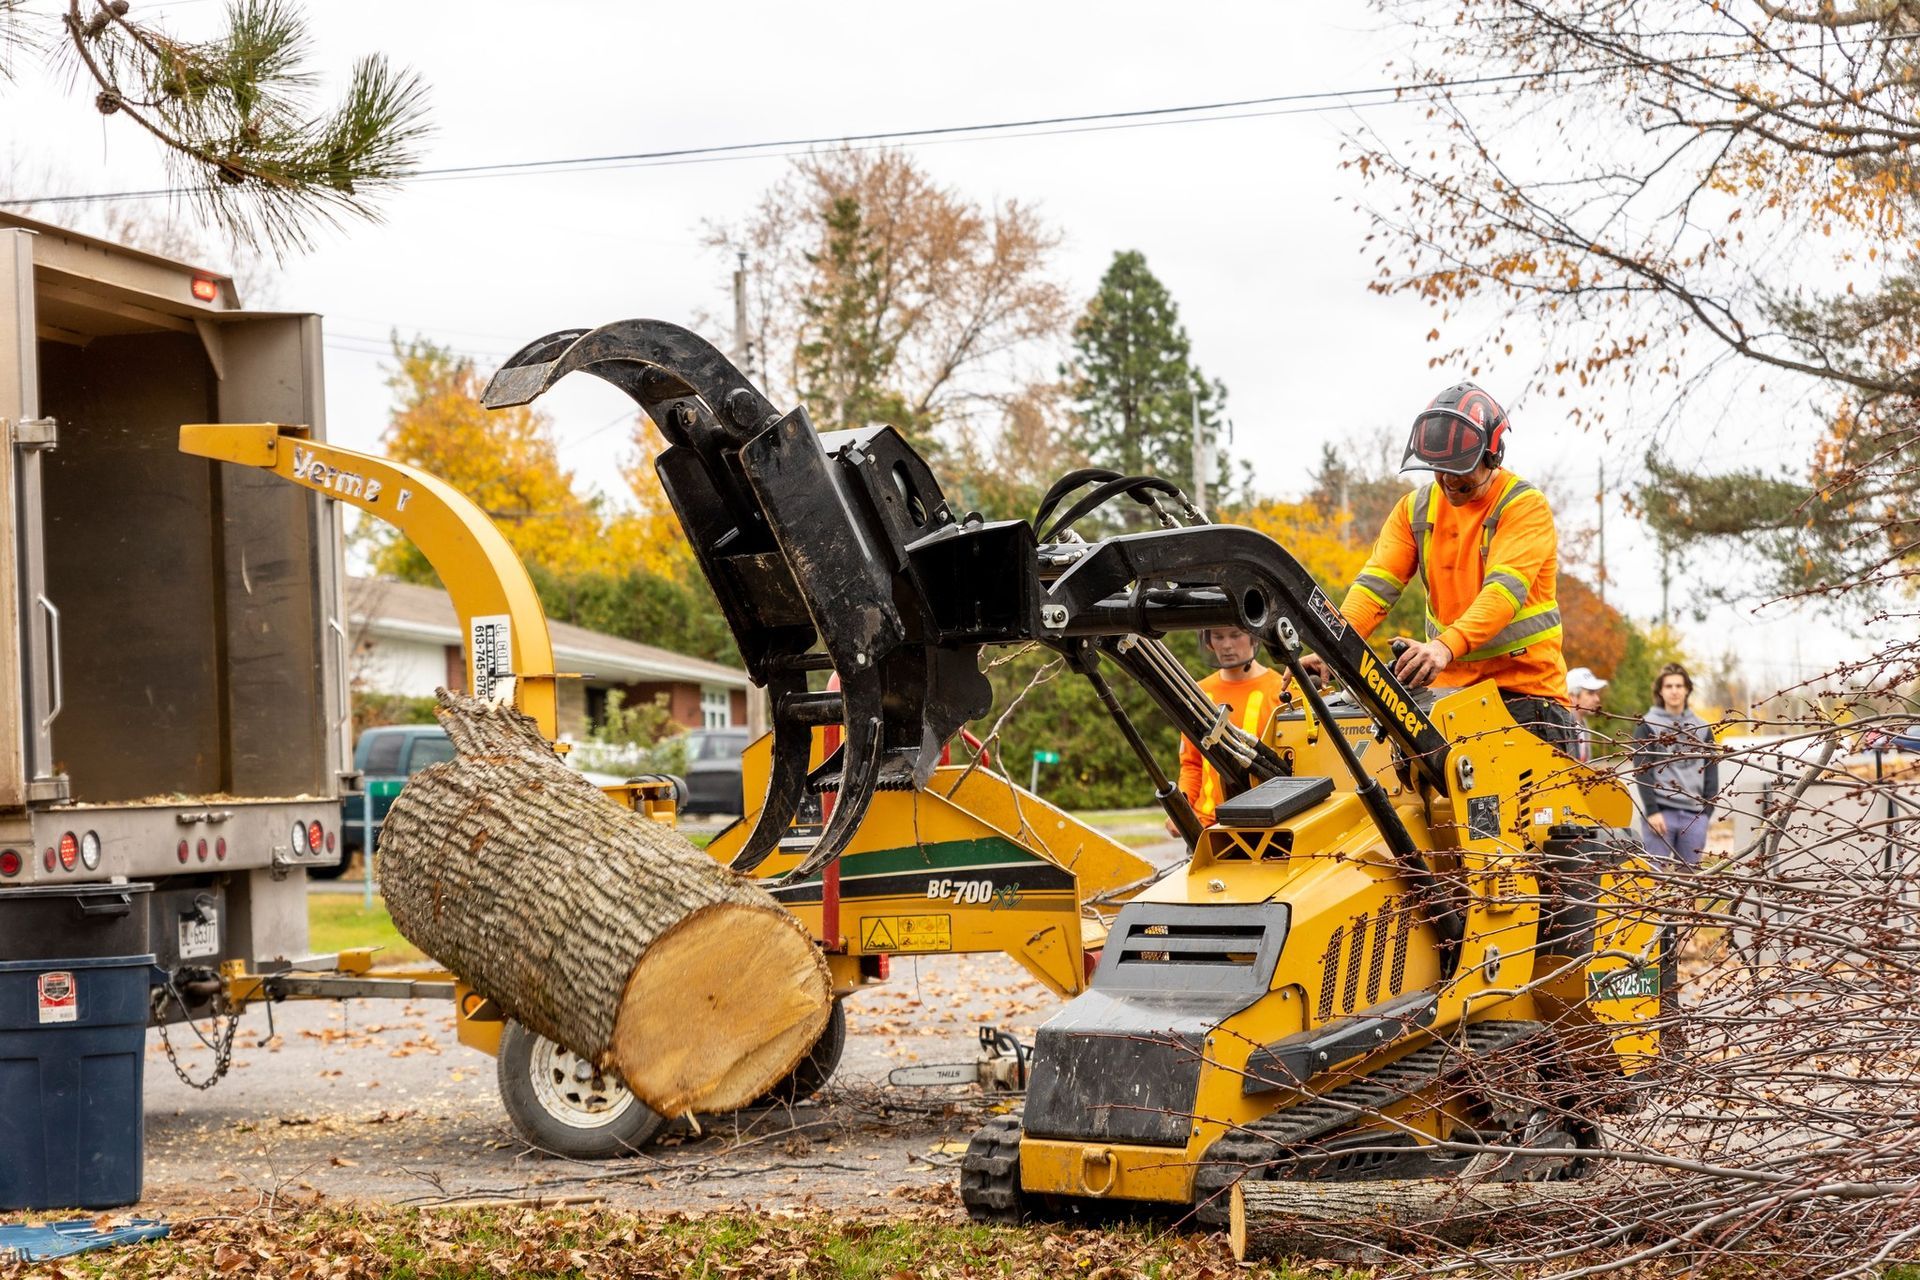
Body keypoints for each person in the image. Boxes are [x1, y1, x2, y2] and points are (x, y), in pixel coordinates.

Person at [1310, 382, 1578, 754]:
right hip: (1450, 700)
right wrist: (1330, 645)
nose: (1449, 480)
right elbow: (1374, 588)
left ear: (1492, 456)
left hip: (1526, 698)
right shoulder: (1414, 510)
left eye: (1460, 469)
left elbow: (1503, 593)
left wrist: (1442, 648)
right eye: (1440, 469)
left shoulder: (1522, 507)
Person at [1169, 625, 1290, 835]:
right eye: (1218, 636)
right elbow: (1192, 764)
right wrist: (1181, 810)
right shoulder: (1198, 694)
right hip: (1208, 828)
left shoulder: (1283, 692)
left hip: (1269, 826)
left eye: (1235, 635)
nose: (1226, 645)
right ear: (1208, 641)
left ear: (1254, 637)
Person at [1631, 663, 1720, 868]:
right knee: (1656, 880)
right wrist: (1652, 811)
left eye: (1679, 686)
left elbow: (1711, 772)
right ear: (1660, 691)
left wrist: (1706, 813)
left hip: (1694, 816)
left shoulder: (1703, 728)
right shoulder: (1647, 726)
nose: (1674, 691)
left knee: (1689, 884)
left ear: (1687, 689)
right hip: (1660, 815)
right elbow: (1642, 772)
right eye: (1669, 686)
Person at [1566, 666, 1610, 764]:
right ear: (1572, 696)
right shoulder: (1563, 728)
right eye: (1590, 693)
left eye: (1596, 693)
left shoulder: (1583, 726)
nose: (1597, 699)